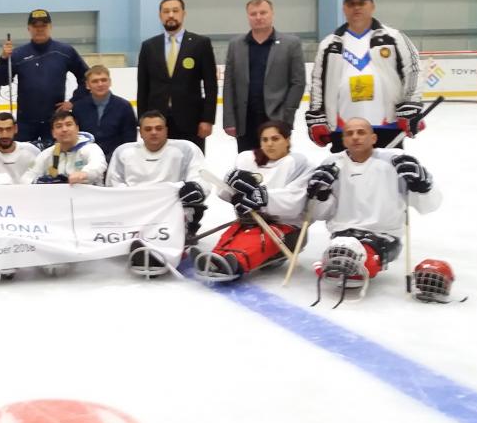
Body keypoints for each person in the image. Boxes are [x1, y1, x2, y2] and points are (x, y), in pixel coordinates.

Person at [305, 117, 440, 301]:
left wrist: (422, 185)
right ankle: (346, 260)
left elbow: (429, 206)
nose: (355, 137)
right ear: (343, 140)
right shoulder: (332, 163)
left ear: (374, 138)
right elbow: (321, 214)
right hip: (342, 237)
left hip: (383, 236)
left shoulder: (395, 161)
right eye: (349, 133)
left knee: (351, 267)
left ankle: (355, 262)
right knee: (344, 261)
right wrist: (320, 194)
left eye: (361, 132)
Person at [306, 0, 424, 152]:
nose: (356, 7)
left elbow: (414, 70)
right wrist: (316, 117)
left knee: (386, 173)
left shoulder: (394, 38)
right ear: (344, 8)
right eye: (351, 4)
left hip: (387, 125)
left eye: (361, 3)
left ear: (372, 6)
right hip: (344, 129)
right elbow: (317, 82)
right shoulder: (329, 44)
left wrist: (411, 105)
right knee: (345, 176)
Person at [194, 121, 311, 282]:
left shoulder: (299, 164)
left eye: (275, 139)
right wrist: (233, 191)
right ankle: (216, 256)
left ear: (287, 140)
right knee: (233, 233)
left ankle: (235, 263)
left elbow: (296, 202)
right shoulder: (250, 160)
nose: (269, 144)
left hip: (286, 228)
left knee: (256, 241)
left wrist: (261, 197)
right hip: (250, 222)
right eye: (265, 140)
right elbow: (222, 192)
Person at [106, 110, 207, 275]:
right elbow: (113, 185)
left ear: (166, 130)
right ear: (140, 132)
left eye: (159, 128)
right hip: (135, 212)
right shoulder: (124, 152)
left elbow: (200, 179)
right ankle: (145, 249)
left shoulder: (186, 149)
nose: (154, 132)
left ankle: (162, 252)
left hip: (172, 212)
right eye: (148, 129)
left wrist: (195, 189)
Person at [222, 0, 305, 153]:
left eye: (263, 12)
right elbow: (229, 84)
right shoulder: (236, 45)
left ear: (272, 14)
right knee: (247, 164)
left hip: (276, 118)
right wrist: (229, 120)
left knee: (278, 165)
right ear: (248, 16)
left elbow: (298, 82)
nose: (258, 17)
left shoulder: (291, 43)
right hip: (245, 121)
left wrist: (287, 116)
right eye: (253, 14)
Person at [0, 9, 88, 144]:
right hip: (25, 122)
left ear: (50, 27)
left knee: (55, 161)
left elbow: (87, 78)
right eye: (35, 26)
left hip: (55, 121)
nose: (39, 29)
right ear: (28, 28)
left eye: (43, 25)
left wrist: (74, 101)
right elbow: (2, 80)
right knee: (24, 160)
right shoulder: (18, 54)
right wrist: (3, 59)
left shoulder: (65, 51)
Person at [135, 0, 217, 151]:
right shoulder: (149, 46)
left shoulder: (200, 44)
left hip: (191, 120)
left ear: (183, 14)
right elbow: (143, 87)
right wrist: (142, 121)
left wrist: (207, 119)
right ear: (160, 16)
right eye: (166, 11)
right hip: (157, 123)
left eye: (175, 11)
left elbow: (211, 85)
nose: (171, 15)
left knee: (191, 166)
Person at [70, 65, 138, 163]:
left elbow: (129, 141)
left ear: (110, 82)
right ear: (87, 85)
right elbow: (77, 137)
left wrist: (112, 160)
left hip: (117, 161)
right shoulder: (78, 108)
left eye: (104, 80)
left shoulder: (124, 107)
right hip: (86, 162)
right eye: (95, 81)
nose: (100, 84)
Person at [27, 110, 108, 185]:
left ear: (77, 128)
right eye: (59, 126)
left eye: (69, 124)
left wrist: (84, 174)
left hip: (89, 197)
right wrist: (38, 182)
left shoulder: (91, 148)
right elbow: (28, 176)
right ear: (53, 133)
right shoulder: (46, 154)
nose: (64, 129)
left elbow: (98, 164)